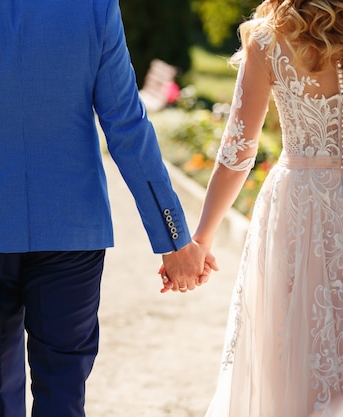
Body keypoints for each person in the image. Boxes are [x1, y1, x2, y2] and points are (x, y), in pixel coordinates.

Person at [0, 0, 214, 416]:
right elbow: (127, 127)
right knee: (62, 396)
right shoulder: (94, 8)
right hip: (73, 230)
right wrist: (174, 238)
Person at [188, 0, 343, 415]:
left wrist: (201, 237)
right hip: (306, 206)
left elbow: (238, 151)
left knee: (294, 358)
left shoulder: (268, 37)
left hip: (300, 206)